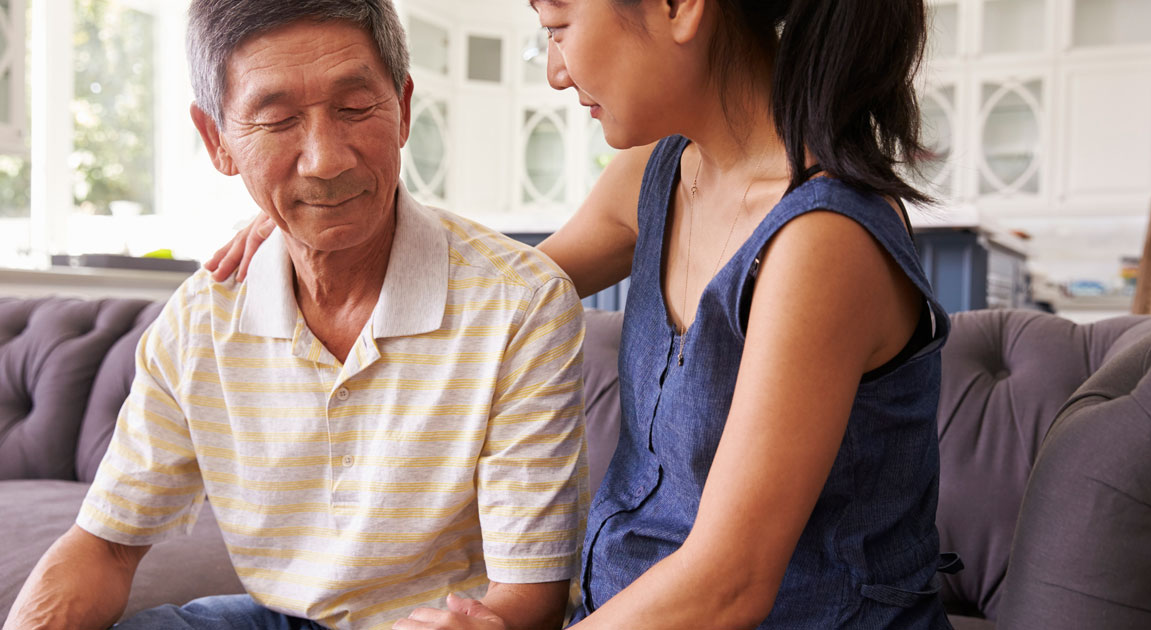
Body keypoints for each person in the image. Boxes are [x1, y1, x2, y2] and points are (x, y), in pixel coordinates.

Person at [208, 0, 959, 628]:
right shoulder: (660, 172)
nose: (557, 71)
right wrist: (325, 226)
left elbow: (731, 581)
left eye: (558, 25)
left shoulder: (823, 242)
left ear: (678, 7)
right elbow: (493, 293)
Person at [2, 2, 587, 630]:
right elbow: (106, 546)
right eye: (277, 119)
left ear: (404, 109)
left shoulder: (521, 305)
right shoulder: (202, 320)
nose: (325, 160)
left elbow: (529, 600)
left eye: (355, 107)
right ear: (217, 140)